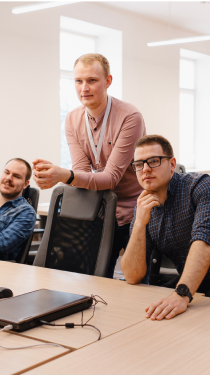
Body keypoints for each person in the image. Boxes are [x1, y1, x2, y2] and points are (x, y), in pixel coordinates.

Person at [121, 135, 210, 321]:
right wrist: (139, 224)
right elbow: (132, 275)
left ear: (172, 164)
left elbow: (203, 242)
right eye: (139, 164)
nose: (145, 169)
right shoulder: (143, 206)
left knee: (205, 333)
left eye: (153, 161)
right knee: (141, 314)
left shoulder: (201, 186)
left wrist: (181, 294)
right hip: (187, 283)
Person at [32, 53, 145, 278]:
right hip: (101, 209)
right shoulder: (73, 119)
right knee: (91, 278)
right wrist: (58, 174)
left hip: (134, 212)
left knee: (136, 282)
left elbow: (111, 178)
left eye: (92, 80)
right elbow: (82, 172)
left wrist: (63, 175)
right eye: (78, 81)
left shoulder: (130, 117)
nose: (84, 87)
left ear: (108, 81)